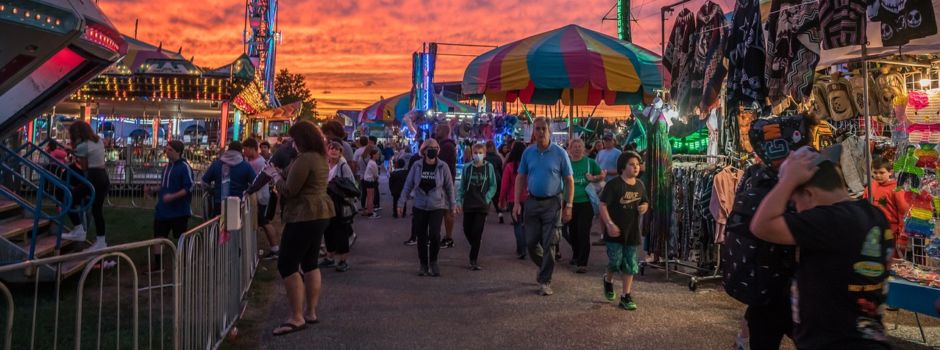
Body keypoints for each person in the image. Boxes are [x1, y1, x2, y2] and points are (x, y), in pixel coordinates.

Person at [751, 146, 892, 350]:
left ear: (808, 194)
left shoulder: (829, 220)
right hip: (869, 338)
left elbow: (761, 225)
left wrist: (788, 181)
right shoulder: (874, 215)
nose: (797, 210)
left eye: (795, 203)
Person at [270, 121, 335, 337]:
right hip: (321, 213)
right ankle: (310, 311)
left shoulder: (306, 159)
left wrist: (275, 177)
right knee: (310, 262)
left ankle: (296, 317)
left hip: (303, 215)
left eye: (293, 140)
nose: (291, 144)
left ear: (301, 140)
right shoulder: (321, 157)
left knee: (287, 264)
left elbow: (289, 190)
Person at [513, 117, 574, 296]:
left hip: (553, 203)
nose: (540, 132)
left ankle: (545, 280)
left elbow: (569, 180)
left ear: (549, 131)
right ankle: (545, 267)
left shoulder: (559, 153)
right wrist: (517, 202)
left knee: (550, 243)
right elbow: (520, 177)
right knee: (530, 242)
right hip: (532, 202)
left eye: (543, 129)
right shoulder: (528, 153)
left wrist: (569, 205)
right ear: (533, 131)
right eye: (537, 129)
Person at [398, 138, 455, 277]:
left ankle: (434, 261)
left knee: (435, 235)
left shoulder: (443, 166)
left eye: (435, 147)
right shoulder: (417, 166)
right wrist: (401, 202)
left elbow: (449, 187)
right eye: (429, 147)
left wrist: (453, 204)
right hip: (420, 206)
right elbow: (408, 184)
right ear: (424, 150)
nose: (432, 150)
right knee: (421, 236)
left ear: (438, 150)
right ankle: (423, 264)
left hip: (437, 206)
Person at [598, 151, 648, 310]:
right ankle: (608, 279)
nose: (636, 167)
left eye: (637, 164)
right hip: (614, 233)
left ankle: (626, 296)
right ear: (622, 167)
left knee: (630, 264)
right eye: (632, 165)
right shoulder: (613, 185)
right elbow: (602, 205)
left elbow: (645, 202)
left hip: (632, 231)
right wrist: (609, 224)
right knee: (615, 262)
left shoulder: (640, 185)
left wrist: (644, 207)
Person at [61, 121, 112, 251]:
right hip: (103, 177)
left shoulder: (82, 146)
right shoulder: (98, 141)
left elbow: (84, 167)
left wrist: (74, 152)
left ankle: (79, 229)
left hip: (93, 177)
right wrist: (75, 151)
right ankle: (101, 241)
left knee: (67, 198)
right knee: (97, 210)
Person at [149, 140, 193, 269]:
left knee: (180, 238)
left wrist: (173, 196)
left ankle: (183, 264)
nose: (166, 152)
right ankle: (158, 265)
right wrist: (152, 190)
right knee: (158, 237)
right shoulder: (166, 167)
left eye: (170, 150)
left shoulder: (184, 167)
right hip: (163, 210)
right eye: (166, 149)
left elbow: (189, 187)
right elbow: (164, 186)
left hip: (179, 211)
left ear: (178, 152)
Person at [456, 143, 497, 270]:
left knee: (477, 230)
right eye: (475, 152)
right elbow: (462, 186)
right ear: (472, 153)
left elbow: (493, 185)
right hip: (469, 203)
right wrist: (458, 201)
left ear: (484, 154)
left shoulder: (489, 167)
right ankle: (475, 244)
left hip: (482, 204)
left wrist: (487, 197)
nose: (478, 155)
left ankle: (473, 259)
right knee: (467, 229)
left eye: (480, 153)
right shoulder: (467, 168)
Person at [566, 139, 604, 273]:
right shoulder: (567, 163)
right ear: (569, 149)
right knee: (572, 232)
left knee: (583, 232)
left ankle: (583, 262)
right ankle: (576, 254)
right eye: (574, 147)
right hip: (570, 203)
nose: (577, 149)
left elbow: (602, 175)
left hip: (585, 203)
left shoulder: (590, 162)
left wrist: (593, 178)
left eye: (579, 147)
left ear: (584, 149)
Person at [864, 157, 911, 258]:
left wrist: (903, 237)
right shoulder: (870, 187)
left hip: (891, 233)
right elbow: (864, 208)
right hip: (873, 233)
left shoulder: (896, 189)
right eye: (875, 172)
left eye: (881, 172)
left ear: (890, 172)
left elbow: (904, 213)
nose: (878, 176)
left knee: (890, 262)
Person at [321, 141, 355, 272]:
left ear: (341, 152)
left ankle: (343, 260)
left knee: (341, 232)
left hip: (339, 203)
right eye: (331, 149)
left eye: (336, 149)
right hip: (326, 202)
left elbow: (350, 183)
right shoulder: (325, 165)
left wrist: (337, 186)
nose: (333, 151)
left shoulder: (343, 166)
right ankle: (330, 257)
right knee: (328, 230)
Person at [243, 138, 279, 259]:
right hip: (258, 196)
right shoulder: (253, 161)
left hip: (261, 196)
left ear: (252, 149)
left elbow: (261, 179)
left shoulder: (258, 162)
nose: (244, 152)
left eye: (245, 149)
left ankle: (275, 248)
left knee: (264, 222)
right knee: (261, 222)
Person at [201, 141, 256, 218]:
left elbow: (204, 182)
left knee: (219, 226)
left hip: (219, 203)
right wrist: (247, 192)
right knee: (237, 227)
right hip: (238, 203)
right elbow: (255, 183)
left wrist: (212, 190)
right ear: (241, 151)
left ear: (228, 150)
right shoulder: (246, 166)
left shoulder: (216, 164)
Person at [500, 141, 528, 259]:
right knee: (525, 224)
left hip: (513, 199)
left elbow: (504, 185)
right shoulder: (528, 165)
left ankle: (521, 249)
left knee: (517, 224)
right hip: (528, 198)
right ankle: (525, 247)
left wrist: (501, 199)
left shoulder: (510, 166)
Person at [434, 124, 458, 248]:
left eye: (438, 129)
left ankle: (448, 238)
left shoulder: (446, 146)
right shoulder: (444, 145)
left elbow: (440, 165)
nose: (435, 131)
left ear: (444, 131)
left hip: (445, 183)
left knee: (447, 211)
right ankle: (444, 236)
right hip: (443, 183)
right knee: (443, 210)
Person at [484, 140, 505, 224]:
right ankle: (500, 214)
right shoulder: (498, 158)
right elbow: (501, 169)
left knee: (486, 197)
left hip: (487, 178)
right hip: (497, 178)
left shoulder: (484, 158)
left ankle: (484, 216)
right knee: (496, 198)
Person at [362, 148, 381, 219]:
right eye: (377, 154)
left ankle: (369, 210)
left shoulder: (370, 162)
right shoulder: (373, 163)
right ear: (373, 155)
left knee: (369, 197)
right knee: (370, 197)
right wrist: (377, 179)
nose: (378, 155)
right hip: (370, 181)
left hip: (367, 180)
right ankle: (370, 213)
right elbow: (375, 175)